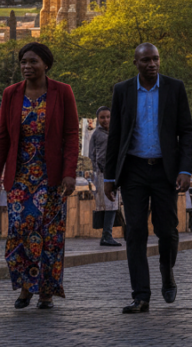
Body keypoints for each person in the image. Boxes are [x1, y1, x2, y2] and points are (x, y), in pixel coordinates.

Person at [105, 43, 192, 314]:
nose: (152, 64)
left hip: (165, 170)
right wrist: (110, 176)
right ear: (136, 63)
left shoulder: (174, 87)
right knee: (135, 232)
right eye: (146, 60)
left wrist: (185, 170)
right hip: (134, 170)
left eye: (155, 59)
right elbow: (116, 135)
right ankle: (141, 296)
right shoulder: (122, 90)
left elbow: (186, 131)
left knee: (167, 230)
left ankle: (167, 272)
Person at [0, 43, 78, 311]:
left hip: (51, 177)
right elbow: (3, 137)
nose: (26, 66)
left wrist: (69, 173)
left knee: (49, 235)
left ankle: (45, 291)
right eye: (23, 61)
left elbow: (71, 135)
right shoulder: (11, 94)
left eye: (32, 61)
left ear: (46, 64)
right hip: (20, 176)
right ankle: (25, 286)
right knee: (20, 232)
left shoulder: (62, 92)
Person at [89, 106, 121, 247]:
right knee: (108, 204)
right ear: (98, 119)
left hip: (117, 173)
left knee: (114, 204)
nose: (106, 120)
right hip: (103, 174)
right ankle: (106, 235)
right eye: (102, 117)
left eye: (108, 117)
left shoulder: (117, 132)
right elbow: (92, 154)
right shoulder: (97, 134)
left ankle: (108, 234)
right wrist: (98, 171)